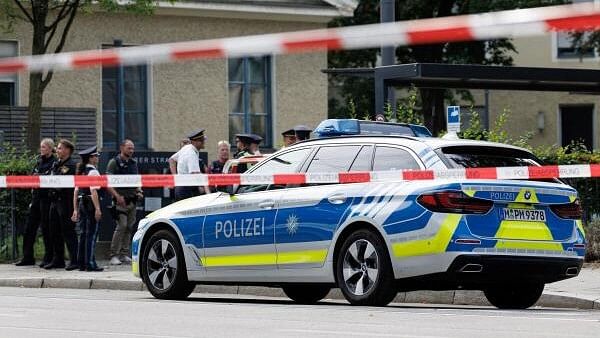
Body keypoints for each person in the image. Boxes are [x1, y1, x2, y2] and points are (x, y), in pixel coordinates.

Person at [15, 138, 56, 267]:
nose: (41, 149)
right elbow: (33, 176)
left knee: (46, 229)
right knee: (29, 228)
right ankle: (27, 257)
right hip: (36, 198)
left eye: (44, 147)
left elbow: (50, 179)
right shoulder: (38, 162)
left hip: (46, 199)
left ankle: (48, 257)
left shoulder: (54, 162)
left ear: (50, 148)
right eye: (41, 147)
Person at [106, 138, 143, 266]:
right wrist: (117, 196)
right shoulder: (114, 162)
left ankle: (124, 254)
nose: (131, 150)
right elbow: (108, 183)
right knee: (121, 226)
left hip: (132, 200)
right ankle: (113, 255)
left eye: (133, 148)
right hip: (120, 201)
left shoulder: (133, 163)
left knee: (129, 227)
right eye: (129, 148)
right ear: (122, 148)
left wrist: (139, 191)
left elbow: (137, 181)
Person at [44, 139, 78, 270]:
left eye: (59, 148)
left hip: (65, 201)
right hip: (54, 201)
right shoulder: (56, 164)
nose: (57, 150)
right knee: (54, 231)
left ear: (67, 150)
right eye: (57, 148)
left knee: (68, 231)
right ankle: (58, 259)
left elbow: (60, 182)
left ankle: (74, 260)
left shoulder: (70, 165)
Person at [71, 146, 103, 272]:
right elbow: (93, 191)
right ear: (91, 158)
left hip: (81, 203)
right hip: (90, 203)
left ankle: (81, 264)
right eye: (96, 156)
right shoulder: (93, 172)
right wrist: (97, 209)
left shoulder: (82, 171)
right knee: (92, 234)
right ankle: (90, 263)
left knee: (83, 234)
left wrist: (75, 209)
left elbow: (76, 191)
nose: (97, 158)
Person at [174, 129, 210, 200]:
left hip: (181, 187)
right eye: (201, 140)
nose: (203, 142)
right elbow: (195, 173)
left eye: (203, 140)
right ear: (194, 142)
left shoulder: (186, 148)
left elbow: (171, 160)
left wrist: (176, 177)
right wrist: (208, 193)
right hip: (186, 189)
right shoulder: (192, 154)